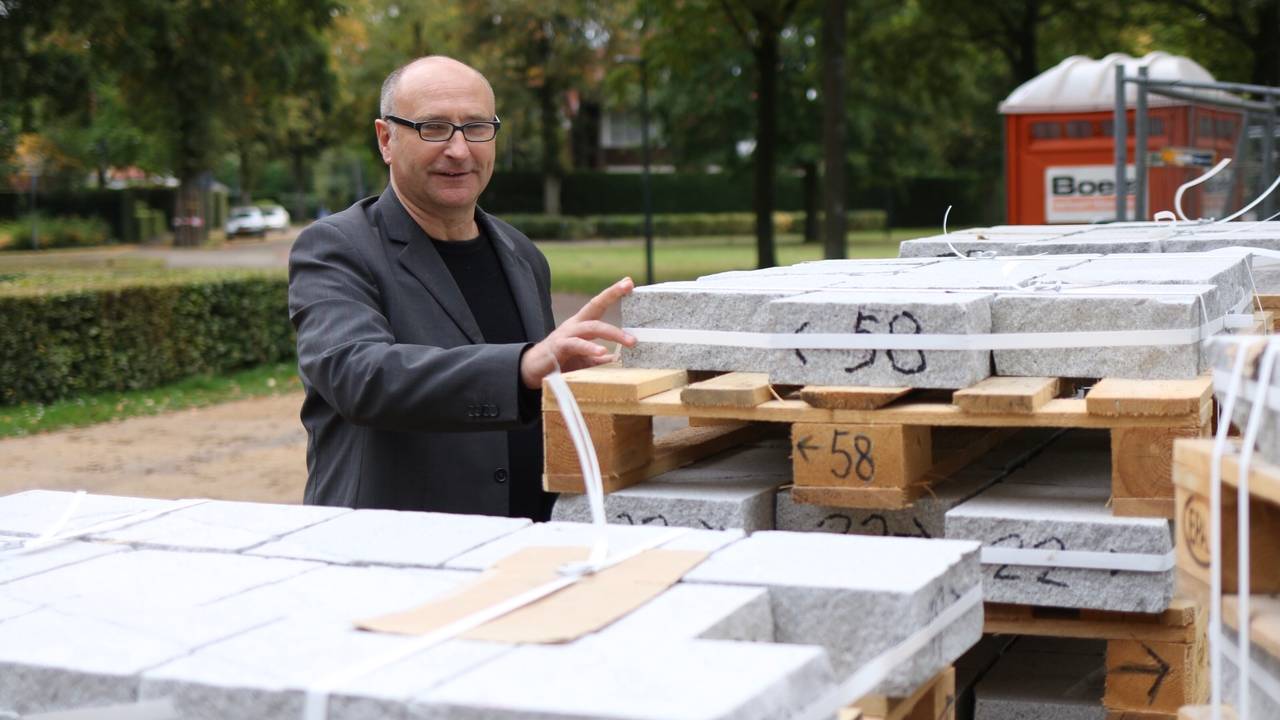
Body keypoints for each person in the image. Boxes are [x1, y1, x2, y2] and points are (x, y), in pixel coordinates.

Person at [288, 55, 635, 521]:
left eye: (476, 127)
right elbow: (358, 376)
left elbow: (537, 400)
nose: (459, 149)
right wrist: (520, 368)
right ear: (386, 139)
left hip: (524, 540)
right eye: (433, 128)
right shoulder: (336, 247)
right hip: (390, 545)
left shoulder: (522, 254)